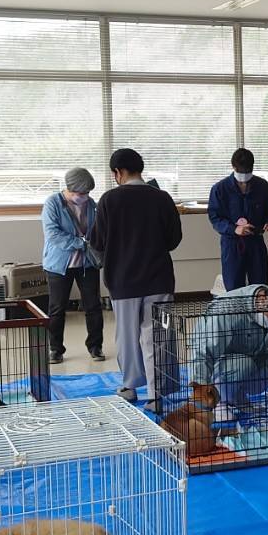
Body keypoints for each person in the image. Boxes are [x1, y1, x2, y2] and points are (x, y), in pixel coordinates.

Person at [93, 148, 183, 402]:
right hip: (160, 281)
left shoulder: (109, 200)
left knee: (127, 337)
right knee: (160, 334)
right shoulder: (162, 198)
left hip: (123, 284)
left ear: (118, 172)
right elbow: (174, 239)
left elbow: (97, 242)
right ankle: (159, 392)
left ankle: (130, 387)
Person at [189, 284, 268, 422]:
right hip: (221, 365)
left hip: (252, 359)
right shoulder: (227, 310)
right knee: (244, 364)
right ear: (263, 299)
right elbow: (205, 351)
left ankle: (238, 396)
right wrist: (201, 386)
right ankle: (220, 402)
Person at [39, 168, 105, 365]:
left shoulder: (92, 205)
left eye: (87, 193)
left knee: (93, 306)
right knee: (57, 308)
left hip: (87, 264)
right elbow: (53, 234)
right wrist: (82, 243)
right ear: (70, 189)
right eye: (81, 193)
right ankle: (55, 349)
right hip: (59, 265)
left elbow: (97, 231)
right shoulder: (53, 203)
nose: (84, 197)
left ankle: (95, 346)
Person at [207, 148, 268, 291]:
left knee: (260, 287)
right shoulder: (220, 189)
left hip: (256, 242)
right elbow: (215, 218)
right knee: (233, 288)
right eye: (241, 171)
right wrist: (234, 229)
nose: (244, 175)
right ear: (233, 167)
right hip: (232, 244)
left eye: (248, 171)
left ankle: (258, 313)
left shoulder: (262, 186)